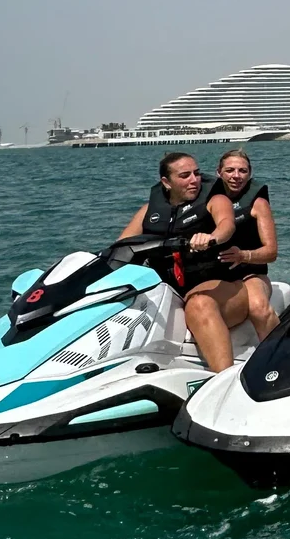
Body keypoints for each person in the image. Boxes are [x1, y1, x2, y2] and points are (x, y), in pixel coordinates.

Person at [119, 152, 247, 372]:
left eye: (197, 173)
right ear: (166, 182)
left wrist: (210, 237)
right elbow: (121, 246)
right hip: (170, 292)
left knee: (198, 304)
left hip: (223, 288)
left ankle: (224, 380)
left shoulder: (215, 200)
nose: (194, 180)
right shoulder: (149, 211)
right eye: (185, 175)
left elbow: (226, 226)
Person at [212, 149, 279, 340]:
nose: (236, 176)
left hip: (251, 274)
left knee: (258, 308)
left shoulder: (258, 203)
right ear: (219, 172)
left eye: (243, 171)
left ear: (250, 173)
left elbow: (271, 252)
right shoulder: (207, 199)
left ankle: (279, 351)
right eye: (230, 170)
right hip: (215, 274)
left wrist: (243, 256)